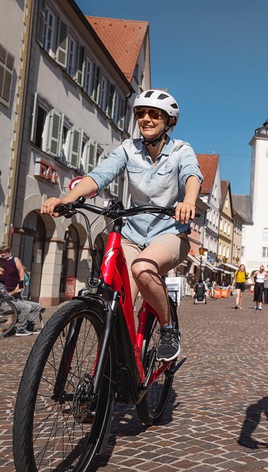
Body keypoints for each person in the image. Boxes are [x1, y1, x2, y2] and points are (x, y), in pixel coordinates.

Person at [41, 89, 203, 362]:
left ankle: (168, 329)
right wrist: (66, 200)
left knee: (143, 268)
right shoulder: (129, 149)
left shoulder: (181, 150)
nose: (146, 119)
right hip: (132, 234)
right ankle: (121, 366)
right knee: (118, 301)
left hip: (169, 233)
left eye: (155, 114)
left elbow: (192, 176)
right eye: (141, 114)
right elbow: (99, 176)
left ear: (168, 122)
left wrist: (188, 201)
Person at [0, 264, 44, 336]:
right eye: (0, 271)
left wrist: (17, 290)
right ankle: (21, 329)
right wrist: (15, 291)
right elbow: (5, 296)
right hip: (4, 304)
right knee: (26, 307)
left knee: (37, 306)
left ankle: (30, 326)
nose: (1, 273)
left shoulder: (2, 281)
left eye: (2, 272)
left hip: (12, 300)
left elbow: (6, 294)